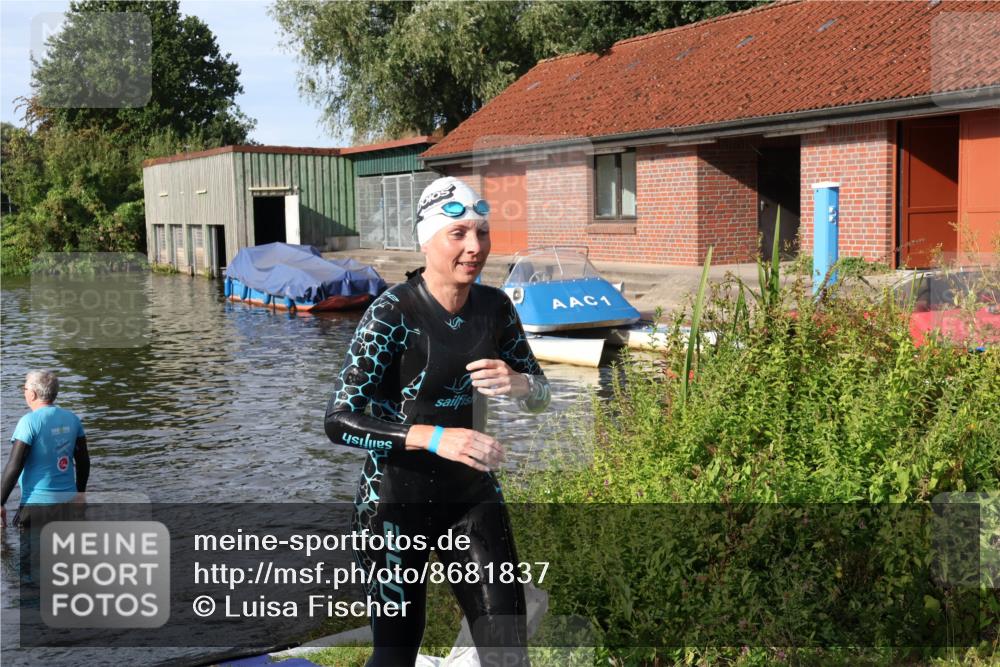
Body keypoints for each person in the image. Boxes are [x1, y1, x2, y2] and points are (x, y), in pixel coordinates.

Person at [325, 176, 550, 666]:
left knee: (509, 650)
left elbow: (541, 394)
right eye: (459, 235)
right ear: (427, 240)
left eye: (483, 233)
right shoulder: (391, 313)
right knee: (397, 655)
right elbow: (339, 419)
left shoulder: (495, 309)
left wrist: (522, 384)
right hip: (393, 503)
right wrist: (433, 438)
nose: (475, 248)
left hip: (471, 498)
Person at [1, 370, 90, 529]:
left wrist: (0, 503)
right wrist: (80, 494)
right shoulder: (72, 419)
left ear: (33, 394)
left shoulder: (29, 422)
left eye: (25, 389)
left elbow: (15, 465)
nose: (24, 392)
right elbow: (83, 461)